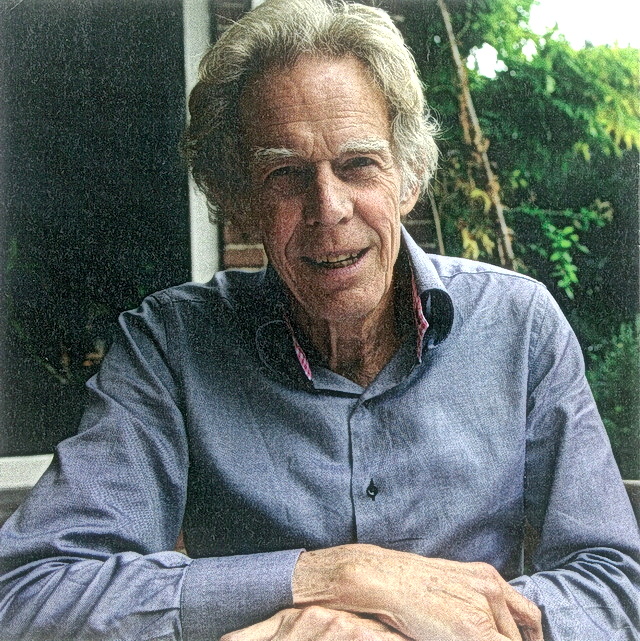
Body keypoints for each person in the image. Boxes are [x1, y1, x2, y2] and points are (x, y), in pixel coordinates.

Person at [0, 0, 638, 639]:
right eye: (286, 174)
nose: (328, 207)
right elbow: (31, 592)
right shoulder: (170, 347)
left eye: (358, 165)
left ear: (408, 177)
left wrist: (407, 630)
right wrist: (337, 575)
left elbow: (615, 584)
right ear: (238, 199)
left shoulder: (519, 326)